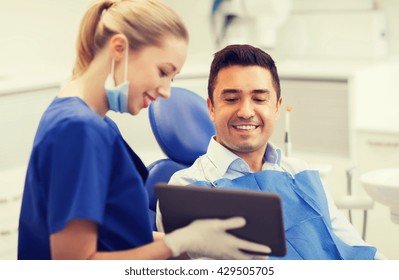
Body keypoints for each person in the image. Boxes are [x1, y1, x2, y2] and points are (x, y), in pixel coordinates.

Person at [17, 1, 272, 260]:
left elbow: (114, 235)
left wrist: (196, 243)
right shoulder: (79, 129)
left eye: (171, 79)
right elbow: (75, 265)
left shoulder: (91, 122)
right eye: (163, 72)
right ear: (119, 49)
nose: (166, 91)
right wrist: (176, 243)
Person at [156, 44, 385, 260]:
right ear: (211, 108)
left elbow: (354, 248)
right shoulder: (186, 189)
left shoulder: (303, 173)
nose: (246, 111)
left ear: (276, 107)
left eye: (259, 98)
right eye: (232, 99)